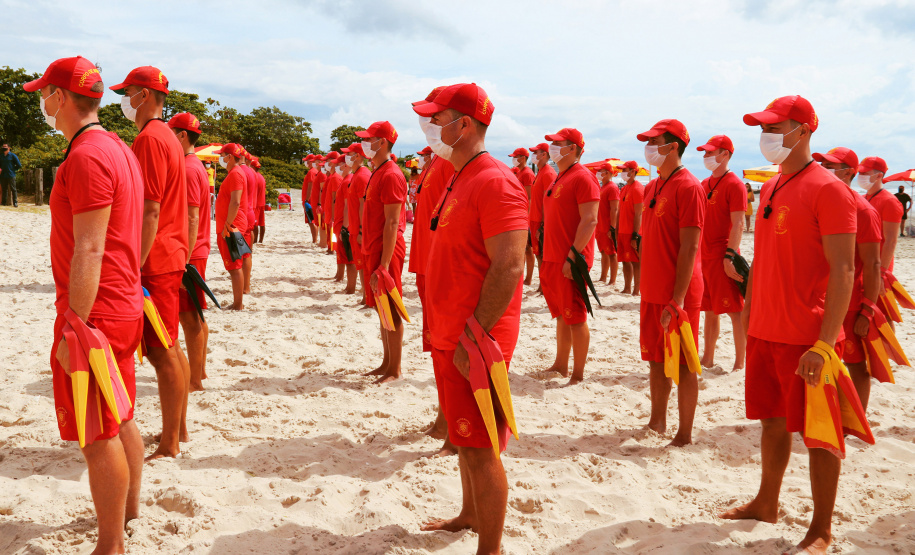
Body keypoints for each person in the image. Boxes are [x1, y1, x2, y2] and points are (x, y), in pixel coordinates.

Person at [719, 95, 858, 555]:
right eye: (765, 128)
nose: (768, 137)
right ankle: (767, 501)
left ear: (804, 131)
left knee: (820, 433)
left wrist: (823, 344)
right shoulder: (776, 184)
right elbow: (769, 256)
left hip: (807, 335)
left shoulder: (829, 189)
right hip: (765, 328)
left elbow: (844, 270)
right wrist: (750, 299)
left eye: (777, 128)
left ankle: (821, 529)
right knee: (772, 422)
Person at [26, 55, 145, 555]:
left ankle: (110, 544)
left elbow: (90, 247)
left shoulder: (88, 155)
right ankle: (131, 509)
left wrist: (73, 323)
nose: (42, 103)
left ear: (61, 97)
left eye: (44, 94)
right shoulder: (116, 146)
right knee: (122, 414)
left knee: (98, 433)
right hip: (121, 299)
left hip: (97, 308)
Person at [413, 82, 528, 555]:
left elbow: (510, 264)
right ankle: (468, 514)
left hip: (476, 337)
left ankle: (491, 548)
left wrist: (474, 336)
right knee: (464, 438)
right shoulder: (457, 175)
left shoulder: (496, 180)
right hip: (450, 328)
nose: (428, 125)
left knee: (482, 449)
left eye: (437, 118)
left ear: (464, 125)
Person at [110, 66, 191, 460]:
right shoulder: (164, 138)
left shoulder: (150, 139)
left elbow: (150, 211)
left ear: (143, 95)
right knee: (170, 349)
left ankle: (171, 441)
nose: (123, 98)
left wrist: (133, 267)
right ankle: (179, 430)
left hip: (156, 259)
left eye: (127, 91)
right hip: (168, 253)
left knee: (162, 351)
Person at [636, 119, 704, 447]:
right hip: (651, 288)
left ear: (673, 146)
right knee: (655, 357)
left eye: (654, 141)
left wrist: (677, 300)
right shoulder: (653, 186)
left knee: (685, 363)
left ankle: (685, 432)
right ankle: (657, 419)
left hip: (680, 292)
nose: (649, 147)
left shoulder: (689, 186)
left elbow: (690, 246)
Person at [813, 147, 883, 411]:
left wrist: (867, 310)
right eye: (824, 164)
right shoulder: (824, 201)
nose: (824, 170)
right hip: (820, 296)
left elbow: (874, 264)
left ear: (850, 172)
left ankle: (856, 418)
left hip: (851, 301)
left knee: (854, 363)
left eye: (831, 166)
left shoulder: (864, 210)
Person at [409, 121, 457, 454]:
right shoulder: (435, 164)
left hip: (437, 265)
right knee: (437, 349)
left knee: (446, 350)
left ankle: (451, 421)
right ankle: (444, 418)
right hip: (425, 263)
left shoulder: (448, 164)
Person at [540, 128, 599, 386]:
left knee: (575, 316)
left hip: (571, 258)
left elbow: (590, 220)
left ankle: (577, 373)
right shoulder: (560, 176)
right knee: (562, 315)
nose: (552, 147)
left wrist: (573, 256)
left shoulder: (583, 177)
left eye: (558, 143)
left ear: (572, 148)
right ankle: (561, 364)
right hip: (552, 256)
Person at [356, 121, 408, 385]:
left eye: (370, 139)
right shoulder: (378, 171)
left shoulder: (392, 174)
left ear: (383, 143)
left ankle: (395, 369)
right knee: (380, 307)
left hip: (387, 249)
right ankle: (386, 362)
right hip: (374, 246)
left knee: (391, 306)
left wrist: (384, 265)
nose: (366, 144)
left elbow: (392, 222)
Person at [168, 112, 212, 393]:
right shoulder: (194, 166)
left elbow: (192, 217)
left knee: (189, 317)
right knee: (195, 314)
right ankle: (200, 371)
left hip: (190, 251)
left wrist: (183, 259)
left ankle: (195, 379)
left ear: (182, 136)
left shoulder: (188, 168)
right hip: (195, 248)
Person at [696, 135, 747, 371]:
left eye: (710, 152)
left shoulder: (734, 184)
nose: (706, 157)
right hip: (704, 256)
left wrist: (729, 256)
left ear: (725, 154)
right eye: (705, 153)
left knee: (735, 311)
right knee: (709, 310)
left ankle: (739, 363)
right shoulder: (705, 184)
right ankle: (708, 357)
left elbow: (739, 224)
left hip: (722, 254)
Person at [214, 143, 248, 311]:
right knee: (234, 266)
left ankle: (238, 304)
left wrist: (227, 224)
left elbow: (236, 201)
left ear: (230, 157)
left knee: (234, 267)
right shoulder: (234, 173)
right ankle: (237, 302)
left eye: (223, 155)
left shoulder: (235, 174)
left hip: (232, 226)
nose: (221, 158)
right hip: (229, 224)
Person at [860, 157, 902, 272]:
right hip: (861, 262)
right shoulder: (862, 198)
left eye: (864, 173)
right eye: (859, 172)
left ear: (879, 176)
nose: (860, 176)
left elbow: (891, 241)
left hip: (877, 265)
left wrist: (883, 272)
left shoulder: (890, 201)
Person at [341, 143, 369, 296]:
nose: (347, 157)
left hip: (359, 230)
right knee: (360, 264)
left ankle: (366, 296)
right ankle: (364, 296)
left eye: (349, 154)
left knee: (363, 265)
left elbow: (364, 205)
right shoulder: (357, 174)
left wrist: (360, 231)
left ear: (357, 156)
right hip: (354, 228)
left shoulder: (363, 176)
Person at [528, 142, 556, 292]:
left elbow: (548, 201)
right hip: (534, 218)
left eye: (536, 152)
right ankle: (542, 285)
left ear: (543, 154)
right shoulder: (540, 172)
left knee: (544, 256)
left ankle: (546, 286)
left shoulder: (548, 173)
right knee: (539, 254)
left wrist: (543, 225)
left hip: (541, 220)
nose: (534, 155)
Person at [509, 148, 536, 285]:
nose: (514, 159)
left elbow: (529, 198)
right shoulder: (520, 173)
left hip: (525, 215)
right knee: (523, 248)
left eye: (516, 157)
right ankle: (523, 277)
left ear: (523, 158)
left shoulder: (527, 174)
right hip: (520, 214)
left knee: (527, 248)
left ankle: (529, 278)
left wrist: (526, 217)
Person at [617, 160, 644, 295]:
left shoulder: (638, 189)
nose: (622, 173)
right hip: (622, 231)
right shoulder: (625, 188)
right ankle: (627, 287)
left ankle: (636, 289)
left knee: (635, 262)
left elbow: (639, 214)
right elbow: (620, 211)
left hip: (631, 231)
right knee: (624, 261)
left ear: (633, 172)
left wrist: (635, 235)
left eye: (625, 170)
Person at [595, 162, 620, 285]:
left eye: (601, 171)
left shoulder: (612, 187)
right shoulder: (602, 187)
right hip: (600, 226)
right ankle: (603, 277)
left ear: (608, 173)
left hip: (607, 226)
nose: (598, 173)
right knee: (603, 252)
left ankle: (613, 280)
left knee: (612, 253)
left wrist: (612, 227)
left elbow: (614, 209)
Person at [237, 150, 258, 293]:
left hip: (242, 213)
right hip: (249, 211)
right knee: (247, 252)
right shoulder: (251, 172)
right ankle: (246, 285)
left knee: (243, 254)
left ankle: (245, 286)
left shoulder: (239, 171)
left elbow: (236, 199)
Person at [333, 150, 353, 284]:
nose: (336, 167)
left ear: (345, 165)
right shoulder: (344, 180)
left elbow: (348, 206)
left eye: (339, 164)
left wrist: (345, 228)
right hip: (340, 222)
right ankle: (342, 279)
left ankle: (350, 286)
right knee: (342, 254)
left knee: (348, 257)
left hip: (344, 225)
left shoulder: (347, 181)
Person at [302, 155, 319, 243]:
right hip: (311, 200)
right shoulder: (313, 171)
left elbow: (310, 186)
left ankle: (314, 240)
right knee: (312, 221)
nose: (306, 163)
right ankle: (315, 240)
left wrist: (306, 199)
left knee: (311, 221)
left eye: (308, 161)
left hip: (310, 201)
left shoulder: (312, 172)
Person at [0, 142, 22, 207]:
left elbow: (19, 165)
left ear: (9, 148)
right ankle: (3, 202)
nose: (4, 148)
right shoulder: (1, 156)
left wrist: (13, 170)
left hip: (11, 175)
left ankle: (15, 202)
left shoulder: (13, 156)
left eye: (5, 147)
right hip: (3, 175)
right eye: (3, 147)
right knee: (4, 189)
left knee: (13, 189)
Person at [312, 155, 327, 248]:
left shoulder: (322, 174)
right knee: (320, 223)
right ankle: (322, 242)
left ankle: (323, 243)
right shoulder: (319, 173)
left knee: (322, 224)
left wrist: (319, 203)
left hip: (320, 204)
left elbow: (322, 189)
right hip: (317, 203)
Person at [252, 158, 267, 244]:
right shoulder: (261, 177)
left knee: (255, 223)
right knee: (262, 222)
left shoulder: (255, 177)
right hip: (262, 202)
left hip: (256, 203)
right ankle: (260, 240)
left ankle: (254, 241)